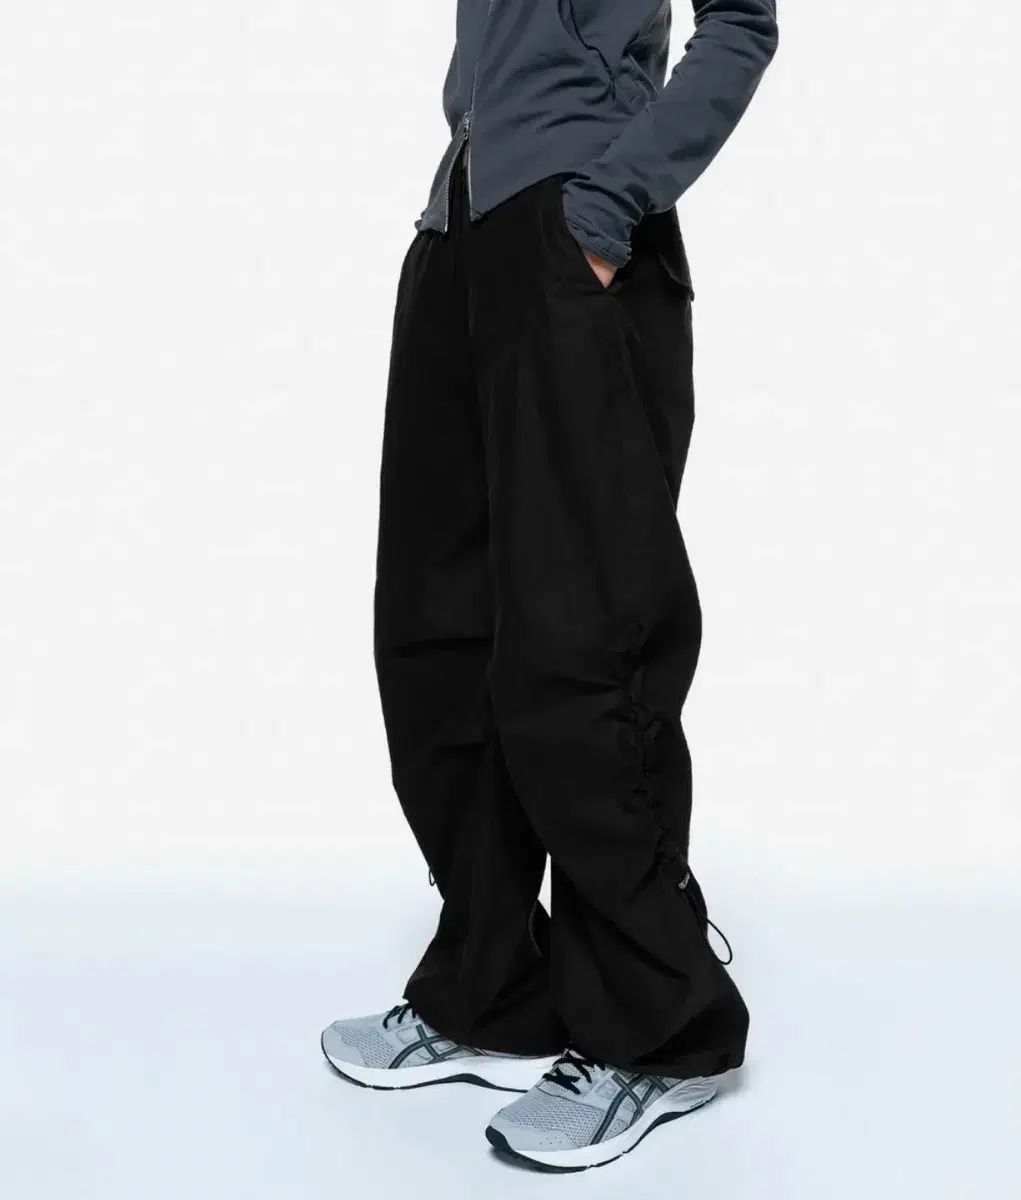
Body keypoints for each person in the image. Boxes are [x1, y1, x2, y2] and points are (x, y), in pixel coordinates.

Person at [322, 0, 778, 1172]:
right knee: (436, 638)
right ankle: (493, 988)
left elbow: (740, 24)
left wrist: (610, 201)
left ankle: (659, 1026)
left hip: (577, 228)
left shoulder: (593, 210)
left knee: (582, 637)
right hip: (460, 227)